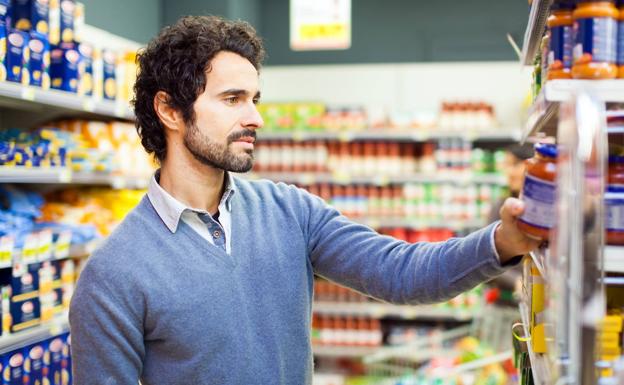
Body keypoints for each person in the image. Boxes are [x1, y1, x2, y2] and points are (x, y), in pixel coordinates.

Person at [69, 15, 540, 385]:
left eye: (255, 98)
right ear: (169, 109)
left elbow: (403, 274)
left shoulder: (291, 211)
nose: (255, 116)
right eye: (233, 99)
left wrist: (503, 240)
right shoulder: (114, 274)